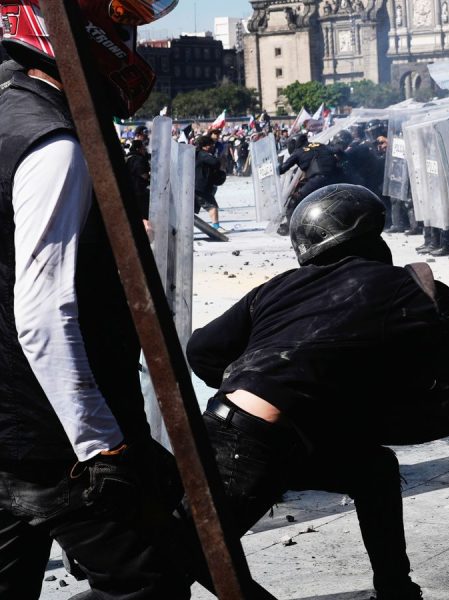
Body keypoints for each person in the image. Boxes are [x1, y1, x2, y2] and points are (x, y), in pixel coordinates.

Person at [183, 184, 449, 598]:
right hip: (251, 447)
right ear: (368, 236)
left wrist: (259, 383)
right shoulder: (399, 289)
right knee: (184, 559)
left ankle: (396, 591)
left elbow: (202, 350)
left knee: (374, 471)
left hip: (237, 428)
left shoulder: (278, 287)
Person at [0, 0, 190, 597]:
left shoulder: (10, 109)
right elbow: (43, 312)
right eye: (125, 25)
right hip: (53, 437)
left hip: (11, 422)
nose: (129, 42)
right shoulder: (53, 139)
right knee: (149, 583)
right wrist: (100, 444)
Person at [195, 135, 227, 231]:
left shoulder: (195, 154)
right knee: (212, 206)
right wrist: (221, 160)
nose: (212, 146)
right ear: (205, 146)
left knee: (190, 210)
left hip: (193, 186)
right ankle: (216, 227)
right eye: (211, 145)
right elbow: (215, 163)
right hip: (201, 187)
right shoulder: (203, 154)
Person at [125, 137, 153, 238]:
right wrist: (151, 175)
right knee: (146, 214)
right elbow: (143, 174)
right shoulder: (138, 159)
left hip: (132, 190)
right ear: (138, 149)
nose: (144, 150)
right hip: (140, 191)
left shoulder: (128, 157)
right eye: (142, 148)